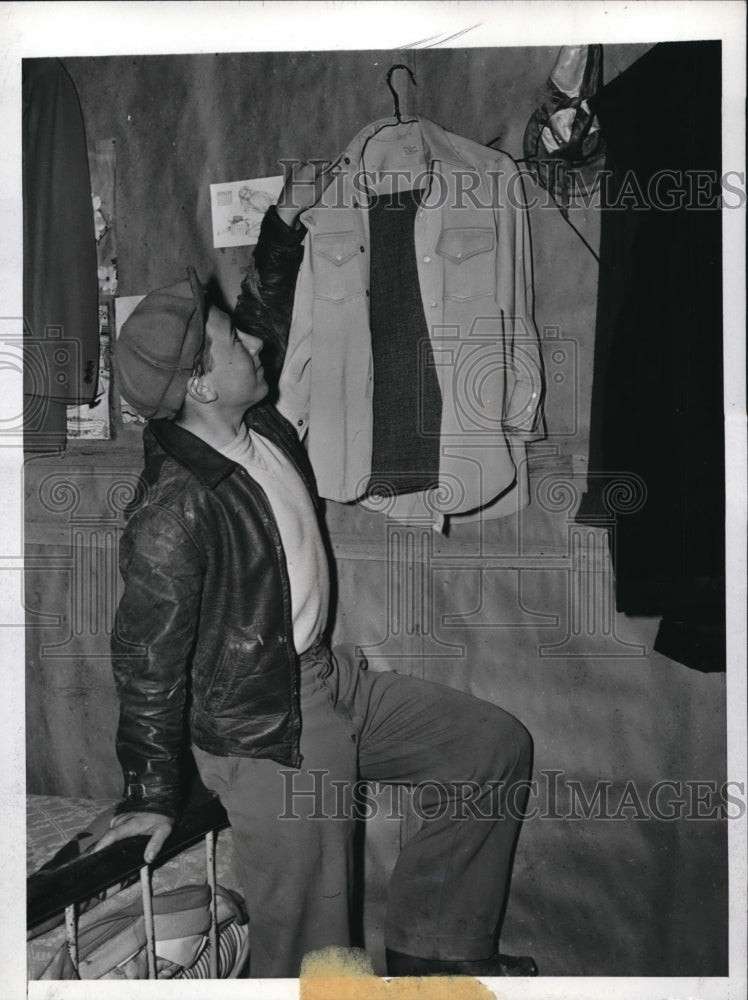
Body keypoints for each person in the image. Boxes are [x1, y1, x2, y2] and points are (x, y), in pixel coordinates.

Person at [94, 162, 538, 979]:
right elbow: (146, 663)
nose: (254, 344)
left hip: (324, 679)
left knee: (489, 749)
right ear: (198, 385)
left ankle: (431, 964)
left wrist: (287, 222)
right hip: (266, 728)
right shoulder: (173, 507)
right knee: (317, 947)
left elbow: (261, 312)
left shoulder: (247, 419)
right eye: (230, 346)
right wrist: (152, 792)